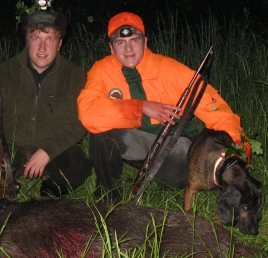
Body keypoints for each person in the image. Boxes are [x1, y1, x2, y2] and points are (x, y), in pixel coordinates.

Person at [77, 12, 250, 201]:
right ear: (111, 47)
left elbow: (213, 106)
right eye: (120, 42)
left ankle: (174, 181)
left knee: (190, 173)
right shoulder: (102, 70)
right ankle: (108, 197)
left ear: (145, 42)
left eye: (134, 41)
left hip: (174, 147)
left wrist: (239, 147)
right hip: (137, 145)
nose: (128, 49)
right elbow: (88, 110)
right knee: (100, 134)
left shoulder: (169, 69)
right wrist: (140, 107)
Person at [0, 0, 91, 196]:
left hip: (51, 151)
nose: (42, 47)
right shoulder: (3, 71)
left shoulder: (75, 76)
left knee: (79, 165)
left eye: (50, 39)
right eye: (36, 38)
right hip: (11, 149)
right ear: (27, 40)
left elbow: (79, 123)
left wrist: (47, 151)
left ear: (60, 43)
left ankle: (47, 196)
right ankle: (6, 189)